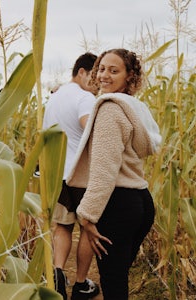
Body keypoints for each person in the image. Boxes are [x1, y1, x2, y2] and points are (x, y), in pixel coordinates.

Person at [66, 48, 162, 300]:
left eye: (114, 70)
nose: (104, 75)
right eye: (102, 68)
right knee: (118, 274)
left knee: (113, 282)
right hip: (140, 200)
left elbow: (104, 171)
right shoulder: (134, 108)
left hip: (117, 205)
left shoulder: (109, 110)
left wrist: (86, 216)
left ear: (129, 76)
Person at [43, 52, 100, 300]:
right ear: (81, 72)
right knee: (88, 230)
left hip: (57, 173)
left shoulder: (55, 97)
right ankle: (80, 284)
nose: (97, 84)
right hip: (80, 174)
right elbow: (92, 130)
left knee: (63, 226)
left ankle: (57, 274)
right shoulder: (85, 98)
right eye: (95, 77)